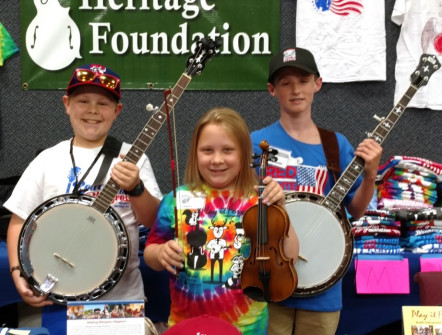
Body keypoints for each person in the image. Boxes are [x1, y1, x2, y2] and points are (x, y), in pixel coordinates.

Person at [5, 64, 162, 332]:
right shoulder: (48, 160)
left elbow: (152, 220)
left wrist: (136, 187)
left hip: (122, 301)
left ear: (117, 111)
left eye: (103, 103)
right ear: (66, 104)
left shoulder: (133, 157)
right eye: (82, 101)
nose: (92, 110)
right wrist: (18, 271)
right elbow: (19, 222)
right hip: (60, 298)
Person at [250, 47, 383, 335]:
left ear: (317, 84)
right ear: (272, 90)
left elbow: (356, 210)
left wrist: (370, 175)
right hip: (268, 279)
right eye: (285, 83)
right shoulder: (255, 142)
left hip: (323, 288)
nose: (295, 89)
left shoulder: (336, 145)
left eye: (303, 80)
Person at [144, 107, 299, 335]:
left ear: (244, 154)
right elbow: (150, 252)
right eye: (207, 150)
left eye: (228, 150)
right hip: (186, 326)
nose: (217, 160)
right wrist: (160, 254)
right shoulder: (175, 199)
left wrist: (280, 209)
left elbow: (291, 257)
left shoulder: (260, 199)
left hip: (247, 328)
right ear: (195, 153)